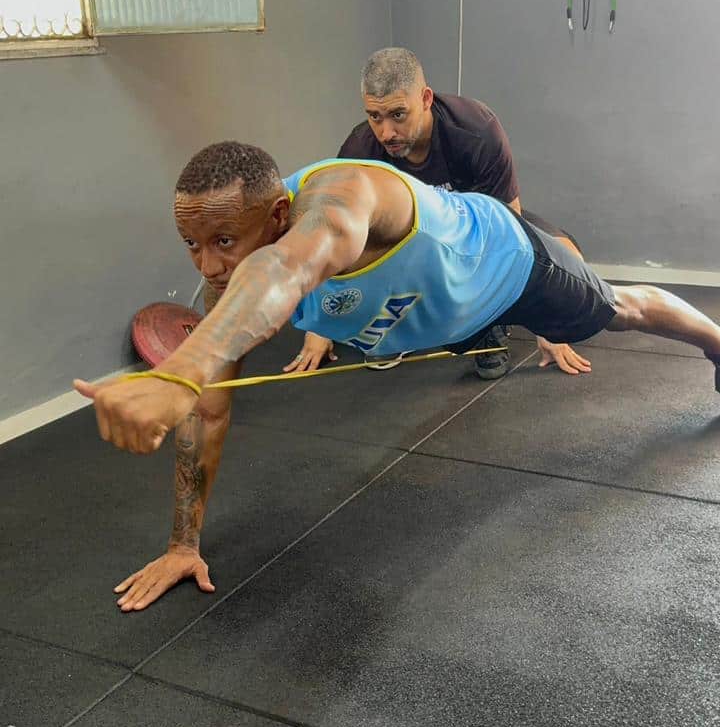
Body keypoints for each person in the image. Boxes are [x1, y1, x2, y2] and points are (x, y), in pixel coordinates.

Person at [75, 142, 720, 613]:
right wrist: (183, 544)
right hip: (441, 315)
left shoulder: (344, 194)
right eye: (191, 243)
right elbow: (209, 412)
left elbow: (288, 271)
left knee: (621, 310)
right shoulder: (232, 286)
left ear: (277, 216)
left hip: (507, 266)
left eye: (223, 240)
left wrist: (179, 370)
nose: (209, 264)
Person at [286, 47, 590, 380]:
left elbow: (509, 230)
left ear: (426, 99)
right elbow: (332, 243)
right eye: (375, 116)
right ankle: (400, 328)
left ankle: (486, 327)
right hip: (407, 251)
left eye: (398, 115)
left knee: (567, 255)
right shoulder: (359, 153)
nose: (386, 132)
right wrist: (321, 327)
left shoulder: (476, 130)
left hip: (476, 235)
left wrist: (548, 319)